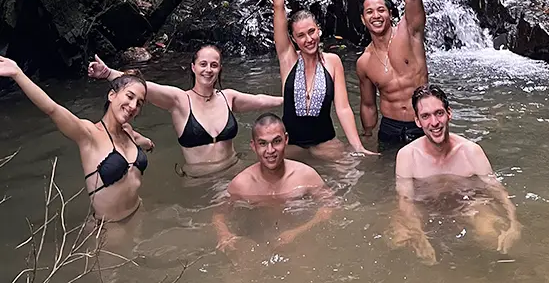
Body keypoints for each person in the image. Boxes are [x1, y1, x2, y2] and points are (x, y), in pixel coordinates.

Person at [88, 45, 283, 177]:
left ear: (220, 69)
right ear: (193, 67)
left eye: (214, 65)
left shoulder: (228, 97)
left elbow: (259, 100)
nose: (208, 70)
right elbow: (143, 86)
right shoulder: (179, 100)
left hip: (235, 172)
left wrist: (289, 100)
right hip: (199, 183)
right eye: (203, 64)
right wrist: (108, 73)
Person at [0, 56, 151, 223]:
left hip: (139, 214)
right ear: (111, 95)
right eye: (129, 97)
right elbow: (52, 109)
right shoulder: (88, 134)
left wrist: (149, 145)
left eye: (139, 103)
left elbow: (142, 141)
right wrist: (17, 74)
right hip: (110, 229)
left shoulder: (128, 132)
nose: (133, 106)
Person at [265, 0, 375, 159]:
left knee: (351, 173)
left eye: (311, 32)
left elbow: (343, 108)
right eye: (301, 35)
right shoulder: (288, 58)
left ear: (319, 30)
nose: (308, 39)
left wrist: (357, 147)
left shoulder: (333, 62)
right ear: (294, 39)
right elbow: (278, 7)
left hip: (325, 141)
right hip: (292, 143)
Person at [392, 84, 522, 263]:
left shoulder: (471, 151)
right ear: (417, 121)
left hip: (466, 204)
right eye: (425, 116)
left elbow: (498, 190)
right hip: (425, 206)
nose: (434, 123)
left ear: (449, 114)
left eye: (439, 113)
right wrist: (418, 235)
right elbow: (405, 201)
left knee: (490, 236)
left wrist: (514, 223)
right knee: (398, 240)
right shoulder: (407, 156)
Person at [213, 113, 335, 253]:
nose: (270, 151)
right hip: (257, 238)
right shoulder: (241, 184)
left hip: (299, 236)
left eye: (276, 141)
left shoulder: (306, 176)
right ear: (253, 146)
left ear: (286, 140)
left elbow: (331, 206)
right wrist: (224, 234)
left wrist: (297, 233)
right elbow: (219, 215)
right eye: (263, 143)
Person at [357, 0, 428, 152]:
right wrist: (367, 138)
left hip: (422, 122)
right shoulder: (364, 62)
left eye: (381, 10)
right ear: (363, 19)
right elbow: (368, 105)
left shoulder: (408, 32)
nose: (375, 16)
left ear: (390, 14)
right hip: (390, 128)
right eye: (369, 12)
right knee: (389, 180)